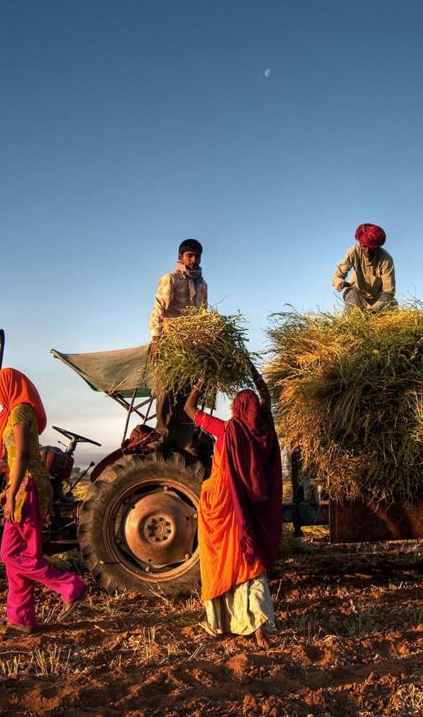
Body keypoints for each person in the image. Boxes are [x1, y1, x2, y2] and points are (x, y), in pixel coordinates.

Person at [184, 362, 281, 648]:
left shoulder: (227, 429)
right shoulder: (264, 429)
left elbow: (189, 409)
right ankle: (259, 625)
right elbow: (266, 398)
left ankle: (222, 622)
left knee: (221, 560)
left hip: (222, 506)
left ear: (236, 409)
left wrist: (201, 378)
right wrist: (252, 370)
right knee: (250, 561)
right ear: (255, 409)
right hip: (249, 508)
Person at [0, 367, 88, 634]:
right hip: (23, 487)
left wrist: (13, 493)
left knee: (10, 554)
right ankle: (21, 618)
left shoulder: (20, 411)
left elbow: (20, 456)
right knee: (19, 557)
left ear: (9, 386)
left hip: (28, 490)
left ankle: (70, 586)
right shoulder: (17, 411)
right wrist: (8, 489)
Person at [149, 238, 208, 450]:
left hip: (190, 347)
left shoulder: (202, 284)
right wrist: (156, 341)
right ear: (180, 257)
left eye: (197, 256)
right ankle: (162, 435)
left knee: (187, 392)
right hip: (169, 342)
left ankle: (184, 440)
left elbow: (203, 316)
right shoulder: (171, 279)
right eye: (189, 255)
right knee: (166, 389)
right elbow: (159, 309)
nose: (193, 259)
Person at [332, 223, 398, 312]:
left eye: (371, 247)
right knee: (351, 293)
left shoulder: (386, 259)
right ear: (359, 243)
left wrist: (373, 310)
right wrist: (340, 282)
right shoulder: (353, 251)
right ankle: (354, 321)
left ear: (377, 247)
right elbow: (339, 274)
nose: (367, 251)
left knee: (390, 300)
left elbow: (389, 291)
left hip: (378, 300)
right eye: (364, 246)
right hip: (358, 297)